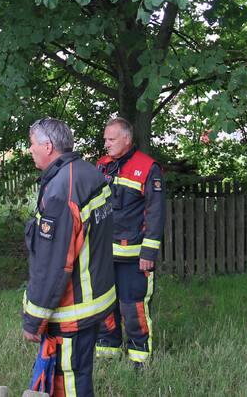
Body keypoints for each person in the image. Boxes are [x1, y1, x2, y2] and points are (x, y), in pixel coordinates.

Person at [22, 118, 116, 397]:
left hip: (72, 309)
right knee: (81, 374)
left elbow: (53, 264)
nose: (29, 150)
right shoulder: (88, 173)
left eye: (32, 144)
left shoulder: (63, 189)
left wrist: (33, 320)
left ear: (48, 146)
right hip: (93, 301)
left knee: (69, 382)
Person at [94, 117, 166, 365]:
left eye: (111, 139)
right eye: (105, 139)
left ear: (127, 139)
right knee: (105, 306)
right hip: (103, 256)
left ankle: (139, 358)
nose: (106, 144)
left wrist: (149, 253)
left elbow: (156, 213)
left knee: (133, 307)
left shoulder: (148, 168)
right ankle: (107, 352)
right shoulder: (102, 166)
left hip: (134, 257)